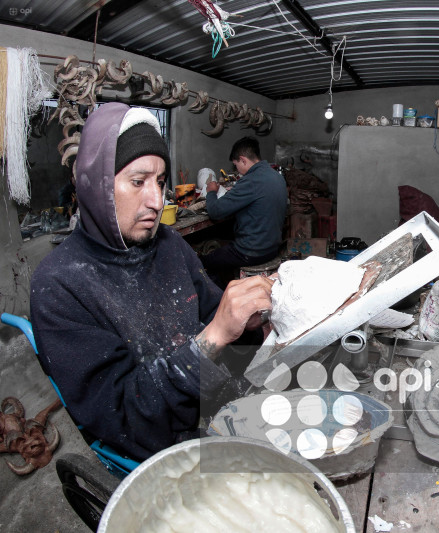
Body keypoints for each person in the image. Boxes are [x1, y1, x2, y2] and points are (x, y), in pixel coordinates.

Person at [30, 103, 275, 462]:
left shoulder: (169, 243)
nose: (157, 200)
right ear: (97, 184)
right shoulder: (59, 284)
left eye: (160, 182)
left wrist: (247, 324)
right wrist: (212, 338)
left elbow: (215, 315)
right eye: (138, 182)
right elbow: (124, 417)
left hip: (213, 404)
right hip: (162, 447)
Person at [201, 137, 287, 288]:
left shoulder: (250, 181)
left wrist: (211, 192)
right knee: (226, 243)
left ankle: (219, 296)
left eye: (236, 165)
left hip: (251, 252)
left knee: (204, 262)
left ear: (243, 160)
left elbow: (215, 211)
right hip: (272, 248)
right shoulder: (276, 176)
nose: (237, 170)